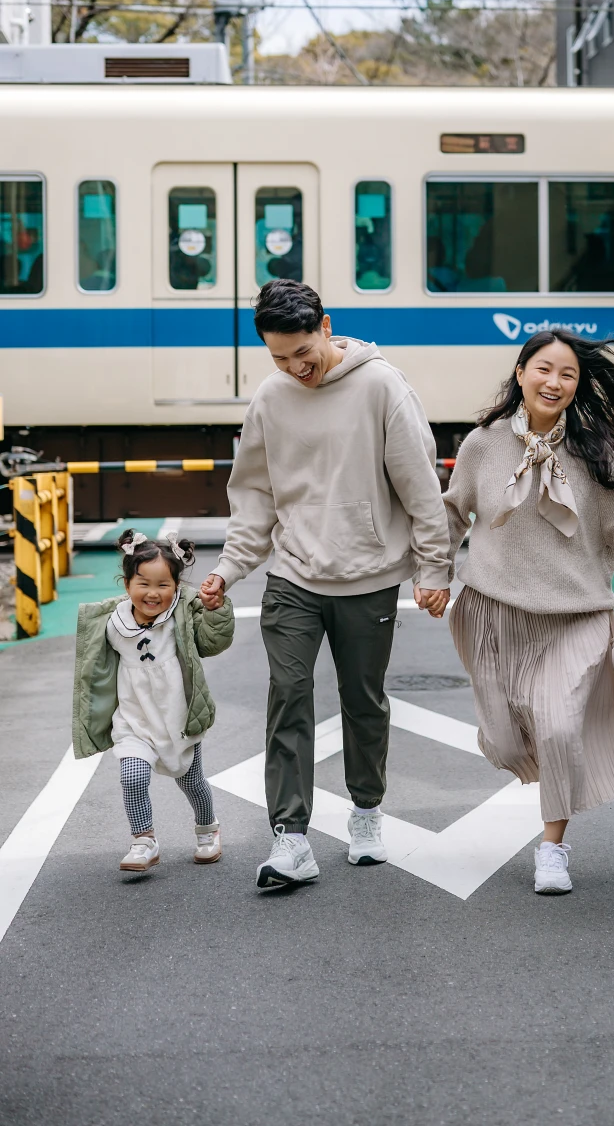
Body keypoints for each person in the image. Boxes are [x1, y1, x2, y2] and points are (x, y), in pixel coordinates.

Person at [198, 279, 451, 890]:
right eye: (279, 358)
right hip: (293, 575)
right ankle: (290, 839)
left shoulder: (382, 386)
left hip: (368, 579)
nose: (294, 368)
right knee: (287, 696)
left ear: (326, 326)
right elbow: (254, 493)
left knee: (363, 701)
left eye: (302, 352)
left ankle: (366, 812)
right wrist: (228, 569)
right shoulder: (271, 396)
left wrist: (434, 567)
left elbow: (419, 483)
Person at [441, 329, 614, 896]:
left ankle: (553, 847)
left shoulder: (594, 455)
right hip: (494, 617)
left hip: (576, 619)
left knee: (560, 727)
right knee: (507, 741)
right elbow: (450, 515)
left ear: (576, 385)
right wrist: (431, 575)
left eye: (567, 374)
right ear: (520, 374)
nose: (554, 382)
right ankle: (540, 775)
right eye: (544, 369)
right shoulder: (483, 445)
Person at [72, 530, 235, 874]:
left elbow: (213, 642)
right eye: (143, 583)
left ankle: (208, 829)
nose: (152, 593)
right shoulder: (112, 623)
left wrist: (215, 610)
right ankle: (143, 840)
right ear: (127, 582)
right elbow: (96, 672)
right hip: (134, 719)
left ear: (176, 586)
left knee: (191, 781)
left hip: (178, 714)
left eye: (163, 585)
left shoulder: (181, 615)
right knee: (132, 777)